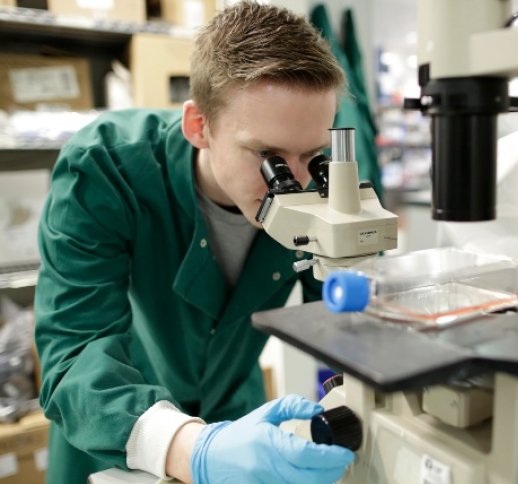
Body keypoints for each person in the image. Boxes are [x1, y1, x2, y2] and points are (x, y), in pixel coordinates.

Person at [34, 2, 356, 483]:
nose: (293, 184)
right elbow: (74, 351)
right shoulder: (105, 166)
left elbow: (347, 321)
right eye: (270, 159)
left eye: (313, 156)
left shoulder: (326, 182)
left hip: (233, 418)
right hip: (116, 429)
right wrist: (194, 449)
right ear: (198, 126)